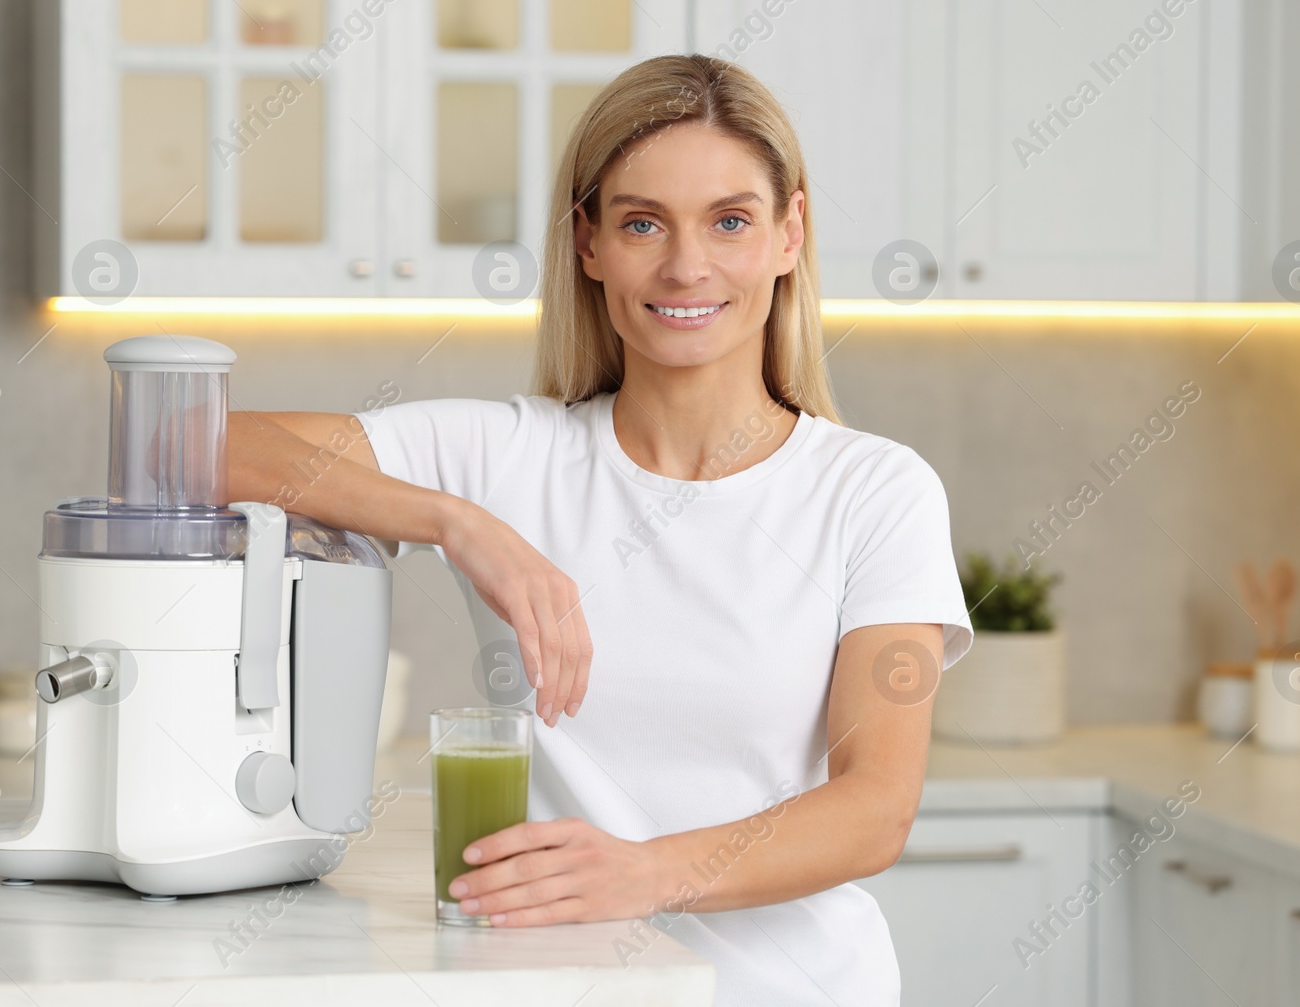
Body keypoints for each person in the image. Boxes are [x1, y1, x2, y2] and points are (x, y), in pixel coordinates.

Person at [228, 53, 972, 1006]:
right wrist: (455, 523)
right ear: (587, 243)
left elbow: (874, 809)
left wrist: (646, 872)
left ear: (791, 234)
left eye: (731, 221)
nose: (686, 265)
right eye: (641, 223)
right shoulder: (502, 457)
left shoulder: (874, 491)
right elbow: (194, 441)